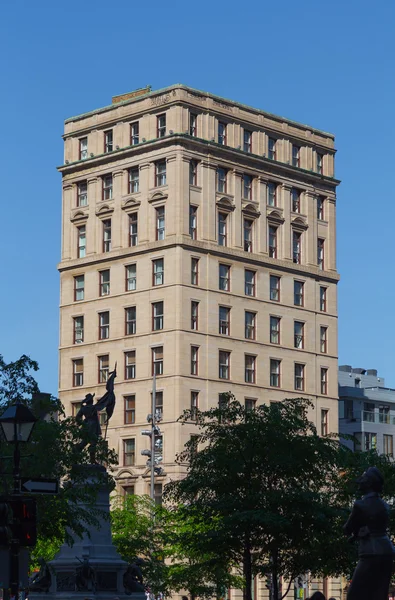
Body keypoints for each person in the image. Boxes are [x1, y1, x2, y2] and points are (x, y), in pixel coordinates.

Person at [344, 467, 395, 600]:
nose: (359, 483)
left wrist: (357, 532)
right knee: (380, 594)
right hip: (387, 550)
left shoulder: (360, 505)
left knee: (353, 594)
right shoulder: (385, 505)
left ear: (368, 483)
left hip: (370, 552)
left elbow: (347, 528)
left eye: (363, 479)